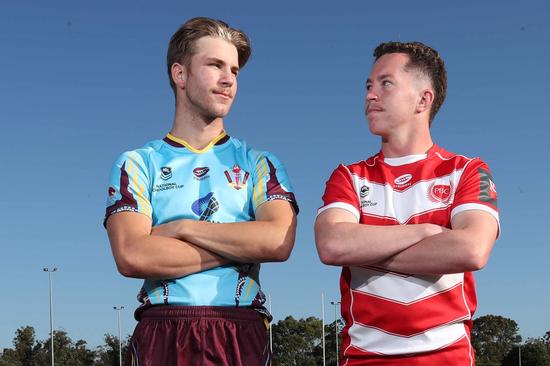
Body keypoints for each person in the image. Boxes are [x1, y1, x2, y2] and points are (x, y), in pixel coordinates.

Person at [104, 17, 298, 366]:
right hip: (163, 328)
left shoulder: (261, 163)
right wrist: (242, 245)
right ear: (180, 75)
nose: (229, 80)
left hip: (239, 328)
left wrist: (181, 229)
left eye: (235, 71)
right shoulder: (136, 163)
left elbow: (277, 241)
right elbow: (133, 255)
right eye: (215, 65)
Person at [315, 42, 499, 365]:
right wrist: (425, 232)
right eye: (369, 86)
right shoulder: (348, 176)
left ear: (423, 100)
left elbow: (471, 250)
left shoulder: (467, 170)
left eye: (386, 83)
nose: (370, 95)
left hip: (448, 358)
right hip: (364, 359)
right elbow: (332, 245)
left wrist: (368, 249)